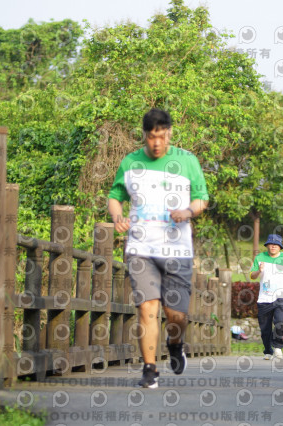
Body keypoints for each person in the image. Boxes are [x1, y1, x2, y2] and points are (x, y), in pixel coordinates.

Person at [107, 108, 209, 389]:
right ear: (144, 135)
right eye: (151, 137)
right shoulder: (130, 163)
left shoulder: (187, 161)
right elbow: (115, 196)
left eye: (161, 137)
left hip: (178, 250)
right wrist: (118, 216)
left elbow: (202, 199)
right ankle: (149, 369)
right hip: (141, 248)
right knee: (147, 309)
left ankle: (175, 344)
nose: (156, 143)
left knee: (176, 315)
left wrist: (187, 211)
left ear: (169, 134)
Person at [250, 234, 283, 360]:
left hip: (281, 296)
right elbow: (252, 276)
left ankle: (277, 347)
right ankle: (268, 350)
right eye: (271, 244)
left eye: (276, 245)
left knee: (279, 323)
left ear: (280, 247)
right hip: (264, 298)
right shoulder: (260, 257)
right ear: (267, 245)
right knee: (265, 329)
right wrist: (259, 271)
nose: (273, 246)